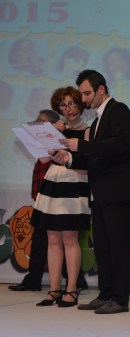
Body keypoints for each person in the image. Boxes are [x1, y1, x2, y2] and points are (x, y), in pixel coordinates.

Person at [51, 69, 130, 314]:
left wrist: (82, 145)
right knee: (102, 246)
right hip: (99, 192)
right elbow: (94, 157)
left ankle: (120, 299)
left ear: (101, 89)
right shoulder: (98, 120)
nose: (84, 99)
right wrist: (69, 158)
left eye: (87, 93)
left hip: (118, 191)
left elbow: (120, 145)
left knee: (119, 247)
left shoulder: (118, 110)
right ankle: (106, 293)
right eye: (82, 94)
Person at [32, 88, 91, 307]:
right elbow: (43, 160)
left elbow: (88, 164)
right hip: (53, 182)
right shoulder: (57, 128)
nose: (68, 109)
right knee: (53, 238)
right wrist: (50, 135)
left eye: (72, 103)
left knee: (69, 238)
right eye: (63, 105)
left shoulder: (88, 131)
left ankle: (72, 289)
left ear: (80, 105)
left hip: (74, 184)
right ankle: (54, 289)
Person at [9, 110, 59, 292]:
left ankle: (75, 281)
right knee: (40, 239)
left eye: (40, 121)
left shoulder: (56, 142)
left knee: (56, 239)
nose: (36, 123)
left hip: (54, 198)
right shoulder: (43, 143)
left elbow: (46, 160)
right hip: (42, 198)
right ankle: (34, 279)